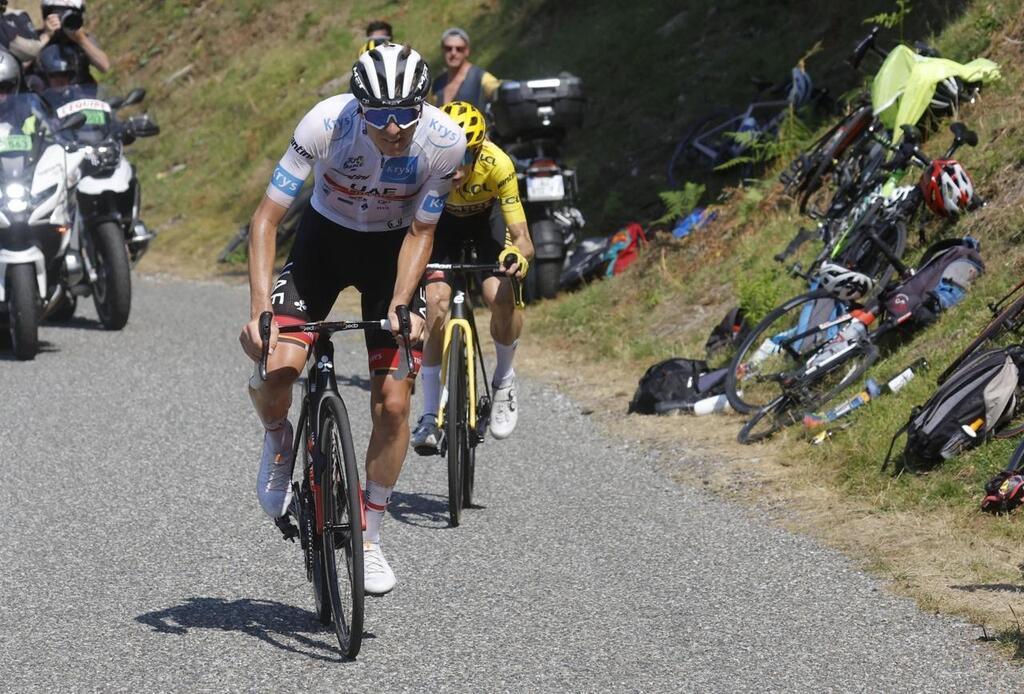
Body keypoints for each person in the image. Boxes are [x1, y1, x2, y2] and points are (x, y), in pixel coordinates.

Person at [238, 44, 465, 596]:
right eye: (380, 116)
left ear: (423, 104)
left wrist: (402, 301)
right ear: (359, 110)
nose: (393, 128)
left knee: (393, 401)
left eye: (405, 113)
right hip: (323, 243)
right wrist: (259, 310)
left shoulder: (444, 141)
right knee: (279, 365)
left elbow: (422, 232)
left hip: (392, 252)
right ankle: (278, 436)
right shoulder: (324, 124)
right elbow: (266, 220)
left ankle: (370, 534)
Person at [411, 101, 532, 454]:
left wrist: (515, 256)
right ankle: (430, 413)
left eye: (468, 155)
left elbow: (522, 237)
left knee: (499, 296)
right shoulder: (423, 164)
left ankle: (505, 380)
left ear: (480, 150)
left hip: (486, 224)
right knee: (435, 304)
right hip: (442, 226)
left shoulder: (499, 165)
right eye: (451, 153)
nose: (458, 165)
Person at [37, 0, 108, 85]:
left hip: (80, 94)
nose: (61, 18)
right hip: (44, 95)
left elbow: (104, 67)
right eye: (57, 13)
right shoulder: (36, 38)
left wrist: (81, 40)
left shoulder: (82, 37)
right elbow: (22, 65)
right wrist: (46, 36)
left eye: (67, 13)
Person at [429, 27, 500, 109]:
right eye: (448, 48)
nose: (453, 53)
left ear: (467, 51)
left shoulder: (482, 78)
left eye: (459, 49)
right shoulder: (437, 84)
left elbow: (502, 94)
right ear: (442, 50)